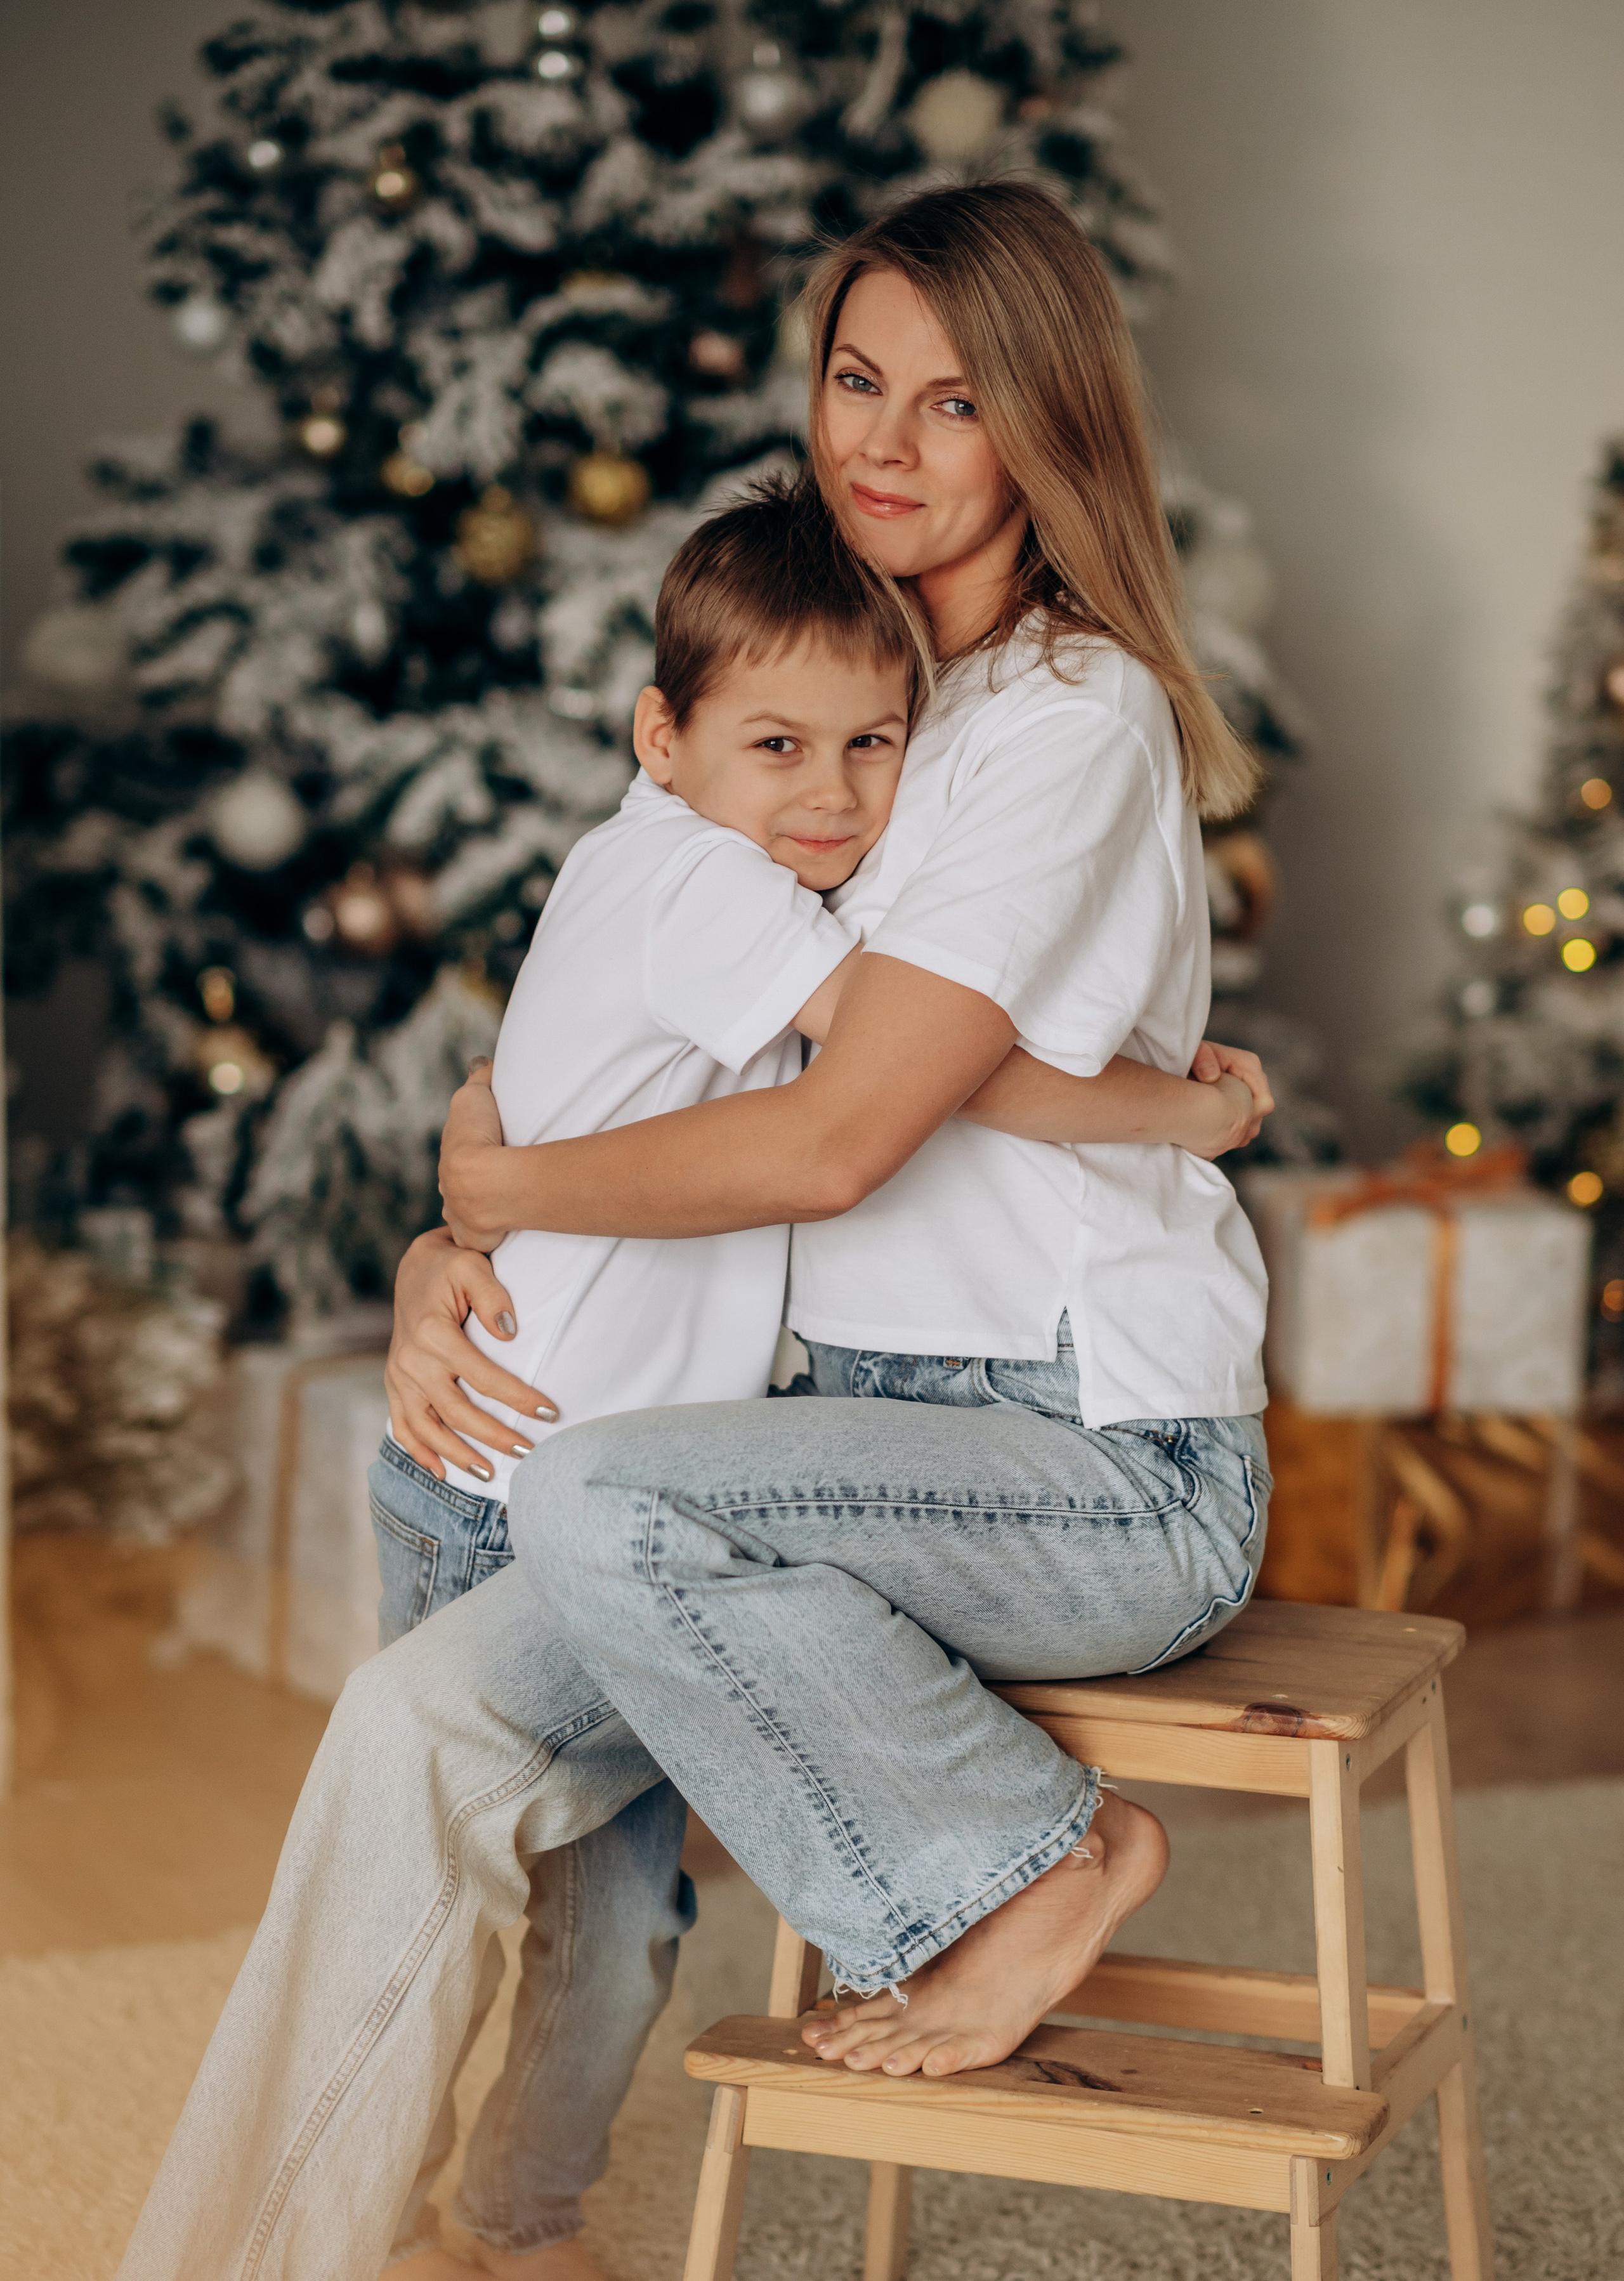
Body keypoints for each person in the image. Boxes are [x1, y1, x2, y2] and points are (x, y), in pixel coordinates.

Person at [117, 180, 1273, 2281]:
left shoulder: (1064, 721)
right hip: (813, 1446)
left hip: (1091, 1466)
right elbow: (636, 1030)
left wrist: (508, 1190)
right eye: (858, 379)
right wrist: (454, 1247)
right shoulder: (842, 695)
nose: (889, 441)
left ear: (1049, 433)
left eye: (955, 401)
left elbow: (841, 1137)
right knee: (407, 1725)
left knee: (603, 1499)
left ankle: (1028, 1860)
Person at [369, 472, 1264, 2273]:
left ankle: (498, 2218)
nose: (838, 790)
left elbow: (854, 1100)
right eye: (780, 742)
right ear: (665, 734)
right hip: (509, 1449)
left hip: (631, 1436)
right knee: (462, 1863)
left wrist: (486, 1201)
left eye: (868, 746)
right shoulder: (717, 872)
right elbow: (878, 1087)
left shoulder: (1004, 734)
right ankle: (413, 2196)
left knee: (584, 1892)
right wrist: (469, 1219)